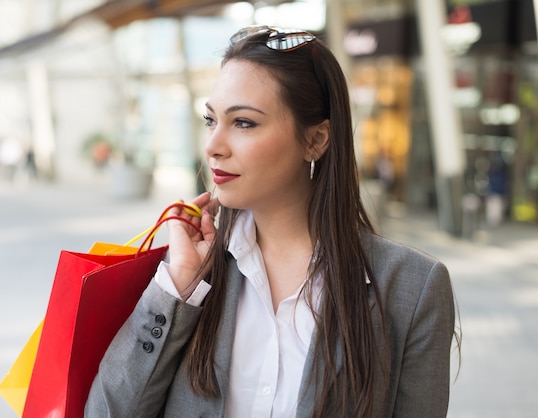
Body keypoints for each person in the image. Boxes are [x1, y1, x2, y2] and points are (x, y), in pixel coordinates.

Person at [86, 26, 459, 418]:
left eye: (243, 122)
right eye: (211, 119)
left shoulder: (413, 288)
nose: (213, 145)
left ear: (316, 140)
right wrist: (178, 286)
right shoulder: (196, 275)